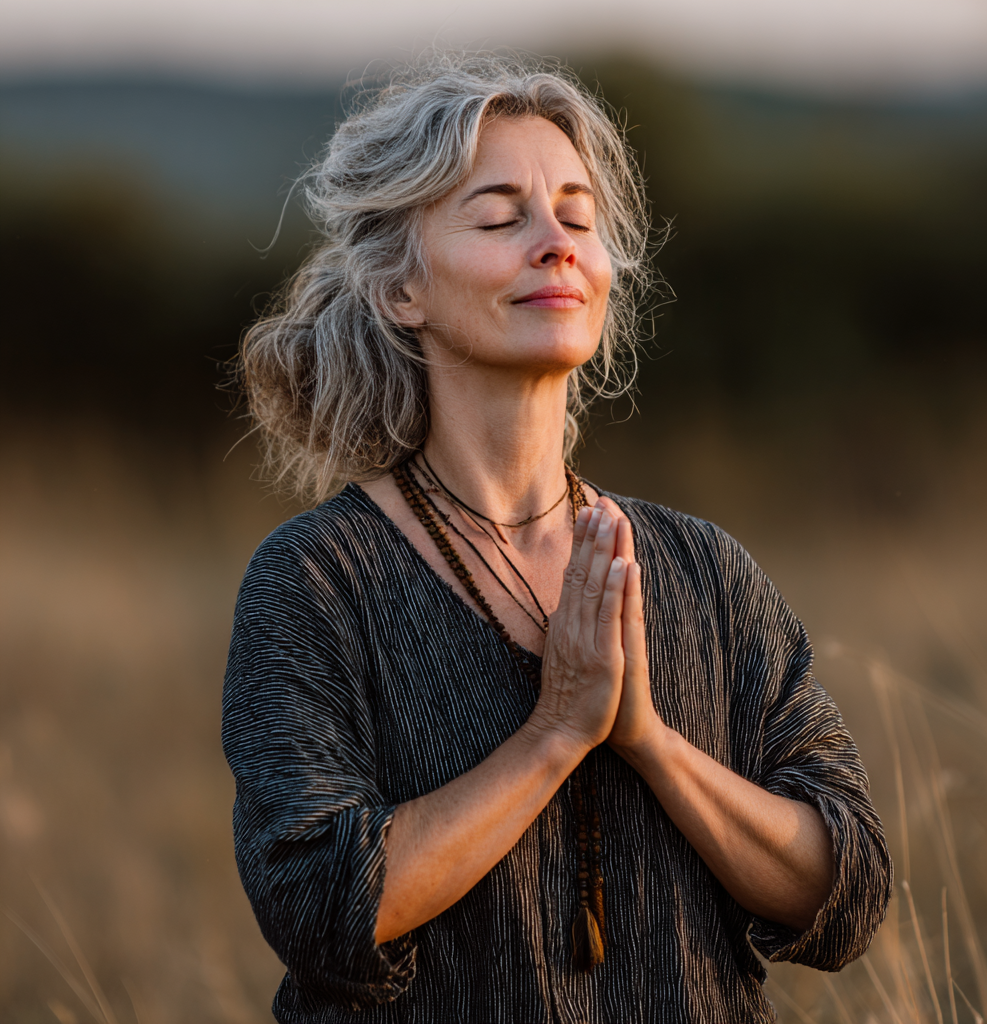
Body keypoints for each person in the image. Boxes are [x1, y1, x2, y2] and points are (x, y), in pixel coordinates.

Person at [223, 53, 892, 1024]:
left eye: (577, 217)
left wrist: (648, 742)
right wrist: (555, 732)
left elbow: (848, 893)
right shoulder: (316, 580)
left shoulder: (703, 569)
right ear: (400, 289)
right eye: (499, 217)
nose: (555, 244)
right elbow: (321, 910)